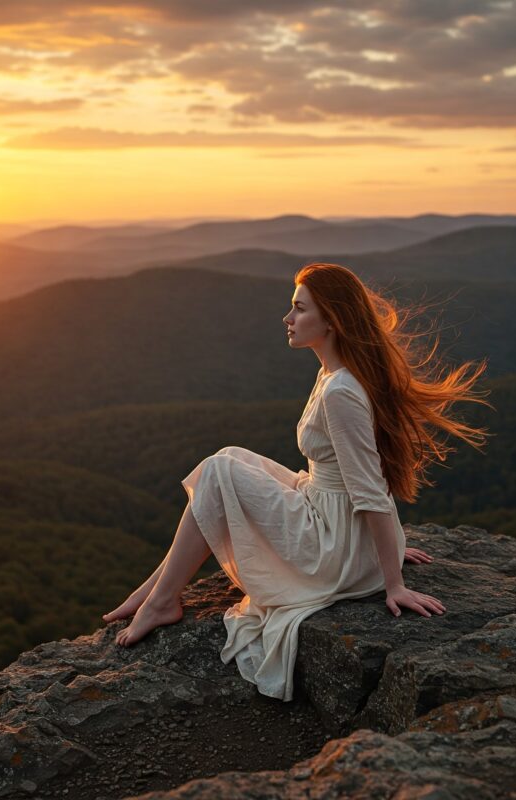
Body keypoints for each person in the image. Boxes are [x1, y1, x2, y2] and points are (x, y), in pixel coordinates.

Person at [102, 262, 491, 702]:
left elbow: (368, 490)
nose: (288, 318)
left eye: (299, 309)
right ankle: (154, 590)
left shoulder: (341, 391)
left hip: (333, 547)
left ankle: (161, 601)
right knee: (230, 457)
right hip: (332, 515)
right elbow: (367, 476)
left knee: (217, 470)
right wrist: (393, 545)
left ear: (332, 321)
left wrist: (393, 580)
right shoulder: (331, 373)